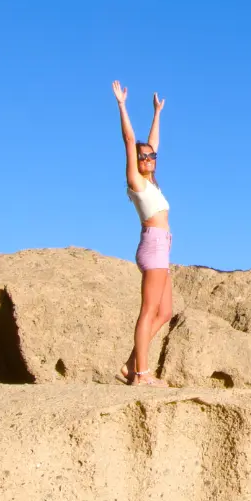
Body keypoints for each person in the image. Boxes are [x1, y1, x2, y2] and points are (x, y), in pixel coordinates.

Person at [111, 80, 175, 387]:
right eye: (143, 157)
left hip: (162, 246)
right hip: (153, 246)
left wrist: (157, 114)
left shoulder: (152, 183)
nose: (148, 159)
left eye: (152, 157)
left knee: (165, 311)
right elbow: (130, 140)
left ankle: (130, 364)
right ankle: (141, 375)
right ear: (135, 163)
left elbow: (151, 143)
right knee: (149, 310)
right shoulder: (136, 182)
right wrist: (122, 106)